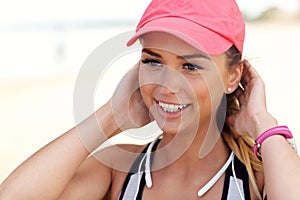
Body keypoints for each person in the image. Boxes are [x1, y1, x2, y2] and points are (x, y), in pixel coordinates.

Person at [1, 0, 300, 199]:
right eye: (153, 62)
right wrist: (110, 117)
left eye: (190, 66)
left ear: (232, 77)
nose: (167, 86)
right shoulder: (119, 172)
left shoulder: (258, 179)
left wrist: (263, 124)